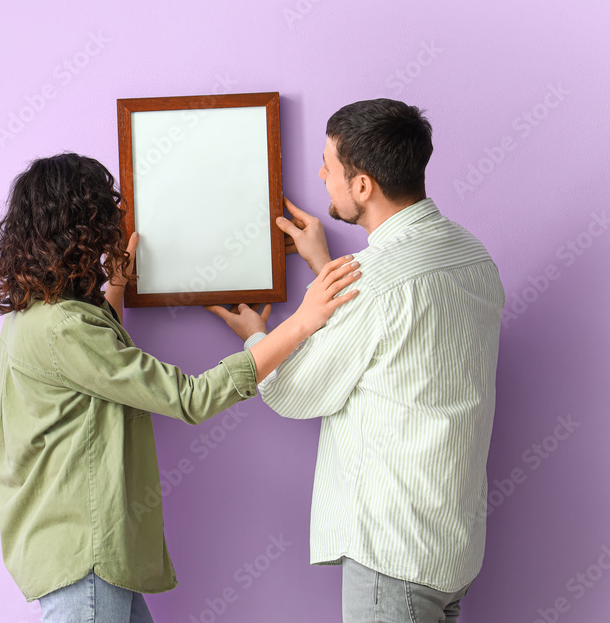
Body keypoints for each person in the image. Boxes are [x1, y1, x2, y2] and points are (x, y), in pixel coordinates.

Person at [0, 152, 361, 622]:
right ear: (80, 229)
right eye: (105, 216)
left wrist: (115, 286)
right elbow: (191, 398)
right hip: (86, 558)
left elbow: (94, 369)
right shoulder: (65, 329)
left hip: (80, 556)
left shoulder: (37, 318)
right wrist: (300, 323)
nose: (115, 225)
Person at [207, 98, 505, 623]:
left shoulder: (378, 283)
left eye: (328, 164)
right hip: (452, 546)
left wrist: (258, 337)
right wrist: (326, 267)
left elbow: (291, 392)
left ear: (362, 185)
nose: (320, 175)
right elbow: (400, 345)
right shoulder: (473, 254)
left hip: (394, 556)